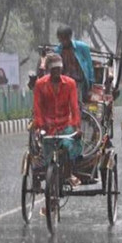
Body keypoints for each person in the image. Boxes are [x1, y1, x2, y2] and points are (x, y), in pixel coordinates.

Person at [33, 53, 83, 194]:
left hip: (65, 125)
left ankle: (68, 174)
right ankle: (46, 177)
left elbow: (74, 107)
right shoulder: (40, 84)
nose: (57, 71)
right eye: (54, 69)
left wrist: (76, 126)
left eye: (59, 68)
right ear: (49, 69)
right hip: (47, 127)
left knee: (67, 146)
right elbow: (38, 108)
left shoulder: (70, 84)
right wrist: (40, 125)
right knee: (44, 153)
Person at [54, 25, 94, 105]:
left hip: (79, 82)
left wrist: (91, 82)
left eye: (65, 38)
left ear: (70, 36)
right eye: (61, 39)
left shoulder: (82, 47)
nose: (64, 41)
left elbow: (89, 66)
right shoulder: (57, 51)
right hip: (63, 82)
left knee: (76, 103)